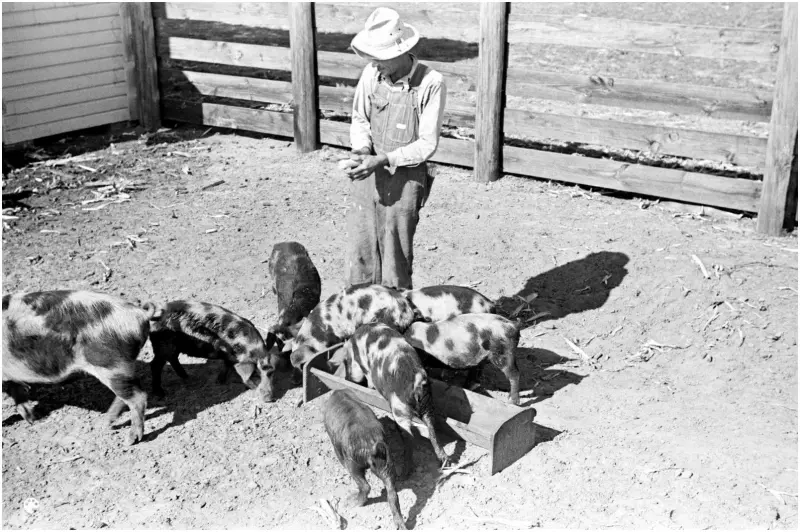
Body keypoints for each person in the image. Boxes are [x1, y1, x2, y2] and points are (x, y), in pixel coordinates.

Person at [343, 7, 447, 290]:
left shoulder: (431, 83)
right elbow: (360, 118)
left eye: (379, 59)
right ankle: (359, 311)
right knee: (362, 246)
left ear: (400, 52)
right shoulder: (371, 73)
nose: (374, 64)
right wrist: (363, 152)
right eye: (371, 58)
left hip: (406, 176)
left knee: (395, 250)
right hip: (370, 170)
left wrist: (384, 159)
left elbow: (427, 144)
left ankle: (394, 316)